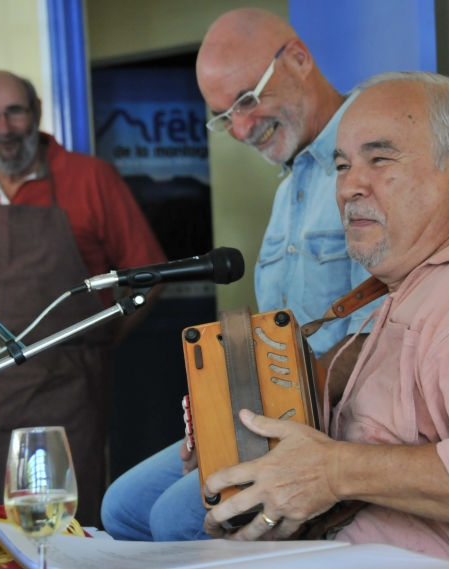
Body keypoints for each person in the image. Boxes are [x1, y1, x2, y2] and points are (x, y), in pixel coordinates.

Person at [200, 72, 449, 569]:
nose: (349, 186)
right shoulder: (414, 287)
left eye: (380, 159)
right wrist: (242, 425)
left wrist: (332, 472)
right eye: (343, 165)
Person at [100, 8, 379, 540]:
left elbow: (392, 333)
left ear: (298, 59)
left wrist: (252, 415)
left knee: (170, 519)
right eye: (224, 116)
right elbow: (274, 336)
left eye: (248, 100)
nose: (241, 129)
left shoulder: (367, 164)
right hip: (267, 416)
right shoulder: (289, 186)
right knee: (121, 508)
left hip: (335, 428)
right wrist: (214, 413)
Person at [0, 70, 165, 526]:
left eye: (15, 112)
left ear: (37, 111)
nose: (4, 128)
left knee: (67, 529)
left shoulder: (91, 178)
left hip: (69, 391)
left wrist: (104, 338)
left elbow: (149, 275)